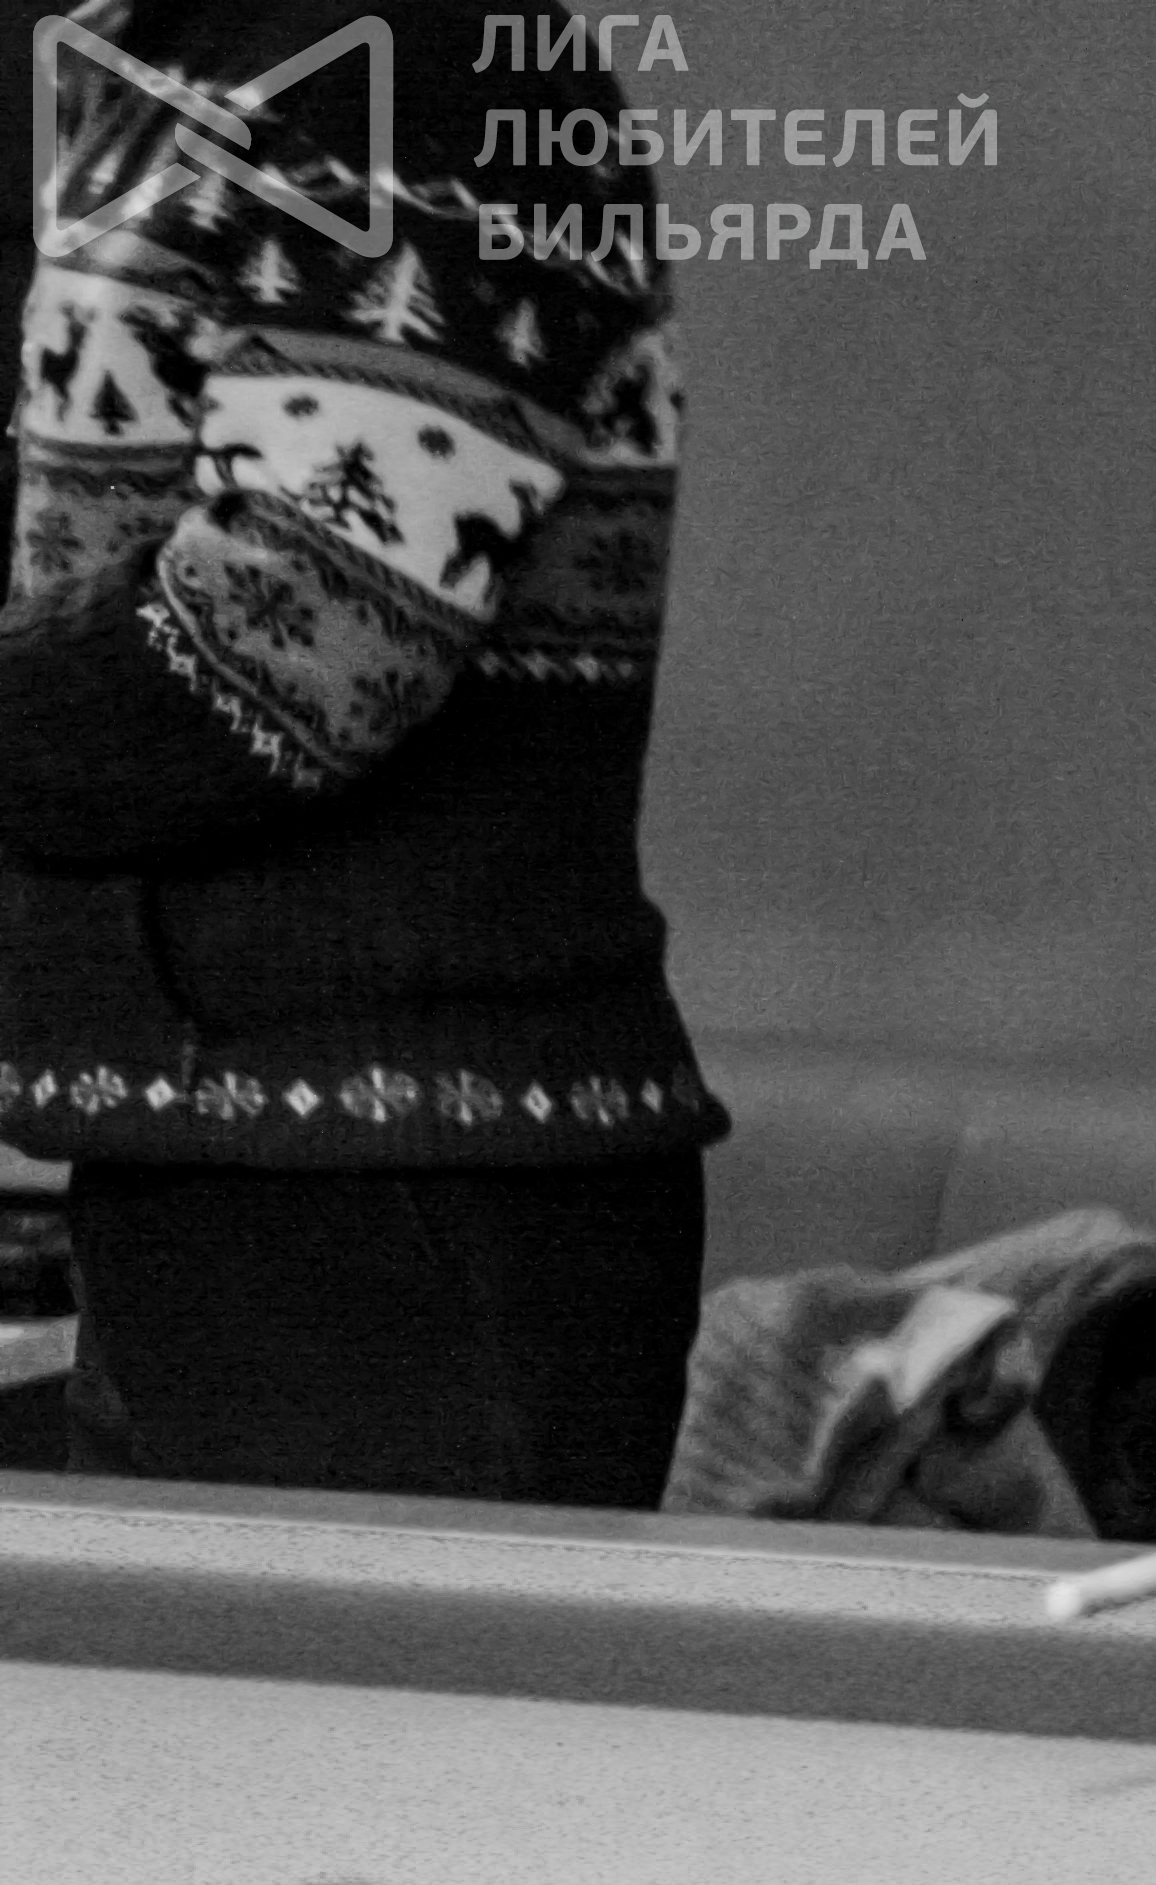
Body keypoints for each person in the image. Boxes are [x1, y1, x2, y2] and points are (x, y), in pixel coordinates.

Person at [0, 0, 720, 1508]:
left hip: (409, 1181)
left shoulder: (422, 63)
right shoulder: (136, 59)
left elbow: (288, 650)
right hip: (191, 1148)